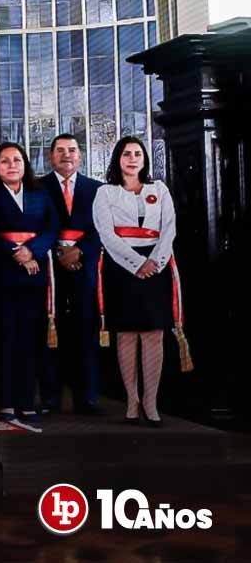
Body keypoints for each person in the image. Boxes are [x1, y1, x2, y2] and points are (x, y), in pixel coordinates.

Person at [93, 136, 177, 428]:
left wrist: (155, 262)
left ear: (145, 159)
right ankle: (132, 400)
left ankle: (151, 402)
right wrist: (136, 263)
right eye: (126, 154)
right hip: (121, 267)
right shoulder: (106, 193)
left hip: (156, 265)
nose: (132, 159)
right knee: (127, 334)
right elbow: (106, 234)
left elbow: (169, 229)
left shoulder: (160, 189)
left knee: (153, 334)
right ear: (118, 159)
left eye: (137, 154)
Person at [0, 142, 59, 423]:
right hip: (2, 272)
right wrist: (16, 253)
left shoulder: (40, 193)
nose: (12, 165)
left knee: (30, 339)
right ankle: (4, 401)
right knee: (5, 338)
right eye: (5, 161)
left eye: (17, 160)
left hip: (35, 273)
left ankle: (26, 400)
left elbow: (52, 227)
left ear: (25, 165)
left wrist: (33, 251)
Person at [40, 134, 104, 415]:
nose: (66, 155)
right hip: (49, 270)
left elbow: (104, 227)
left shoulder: (97, 189)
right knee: (50, 331)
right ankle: (50, 398)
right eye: (60, 150)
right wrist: (59, 252)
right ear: (50, 156)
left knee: (85, 333)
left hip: (85, 268)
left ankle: (87, 397)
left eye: (72, 150)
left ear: (80, 156)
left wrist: (79, 251)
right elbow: (35, 224)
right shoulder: (37, 187)